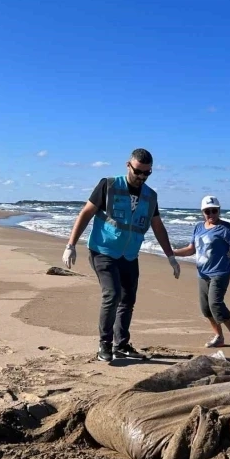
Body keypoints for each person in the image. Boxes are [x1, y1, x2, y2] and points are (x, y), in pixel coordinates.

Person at [62, 148, 181, 362]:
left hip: (129, 255)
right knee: (113, 294)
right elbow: (86, 213)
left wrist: (171, 256)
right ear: (128, 165)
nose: (142, 177)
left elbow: (158, 226)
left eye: (147, 173)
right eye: (138, 171)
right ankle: (104, 345)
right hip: (103, 250)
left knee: (128, 300)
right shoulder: (108, 185)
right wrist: (71, 244)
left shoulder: (150, 196)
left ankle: (121, 344)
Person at [172, 195, 230, 354]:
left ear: (219, 211)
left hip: (220, 272)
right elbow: (191, 249)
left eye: (214, 211)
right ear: (202, 212)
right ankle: (218, 337)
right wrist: (172, 252)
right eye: (207, 211)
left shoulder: (226, 228)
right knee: (206, 309)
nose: (211, 214)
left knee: (216, 304)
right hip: (202, 273)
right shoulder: (198, 227)